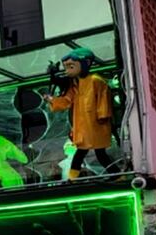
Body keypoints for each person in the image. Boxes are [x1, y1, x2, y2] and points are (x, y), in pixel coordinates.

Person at [41, 48, 118, 179]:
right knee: (90, 153)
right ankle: (114, 176)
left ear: (86, 63)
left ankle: (74, 178)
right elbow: (67, 101)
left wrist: (103, 116)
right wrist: (51, 100)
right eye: (66, 67)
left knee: (93, 153)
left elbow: (104, 99)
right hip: (83, 126)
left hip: (96, 125)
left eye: (71, 66)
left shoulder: (96, 80)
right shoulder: (75, 85)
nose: (67, 70)